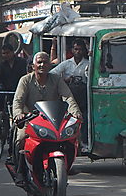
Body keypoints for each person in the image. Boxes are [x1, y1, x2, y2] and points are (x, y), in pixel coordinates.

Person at [11, 52, 82, 183]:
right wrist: (18, 114)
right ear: (33, 66)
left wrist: (75, 112)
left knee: (73, 135)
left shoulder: (56, 79)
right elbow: (18, 101)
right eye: (39, 62)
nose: (42, 65)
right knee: (21, 138)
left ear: (50, 65)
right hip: (30, 121)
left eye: (45, 62)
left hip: (53, 120)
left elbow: (68, 97)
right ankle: (20, 170)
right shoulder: (25, 80)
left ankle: (67, 163)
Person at [50, 39, 89, 151]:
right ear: (72, 50)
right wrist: (64, 80)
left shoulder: (88, 63)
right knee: (68, 120)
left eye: (80, 50)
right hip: (69, 97)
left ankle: (84, 143)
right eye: (76, 49)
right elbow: (52, 74)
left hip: (83, 97)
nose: (78, 52)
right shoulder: (66, 64)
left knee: (84, 119)